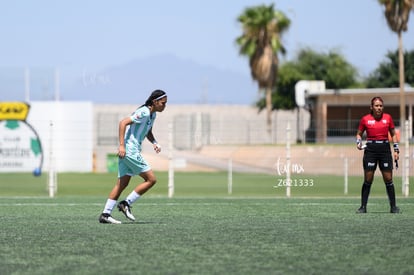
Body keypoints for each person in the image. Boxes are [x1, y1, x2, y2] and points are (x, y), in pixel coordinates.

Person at [99, 89, 167, 224]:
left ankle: (105, 214)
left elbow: (148, 131)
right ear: (155, 101)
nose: (164, 106)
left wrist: (154, 142)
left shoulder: (152, 115)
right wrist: (122, 145)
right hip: (130, 151)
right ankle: (126, 203)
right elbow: (123, 123)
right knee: (151, 179)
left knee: (122, 184)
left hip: (131, 151)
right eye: (163, 103)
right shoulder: (144, 112)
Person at [355, 96, 400, 214]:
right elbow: (359, 134)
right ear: (371, 107)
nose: (379, 108)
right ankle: (363, 207)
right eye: (376, 105)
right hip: (371, 150)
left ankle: (393, 207)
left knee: (388, 179)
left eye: (381, 106)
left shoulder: (388, 118)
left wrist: (396, 150)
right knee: (368, 179)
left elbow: (393, 134)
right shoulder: (365, 119)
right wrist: (358, 142)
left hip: (385, 149)